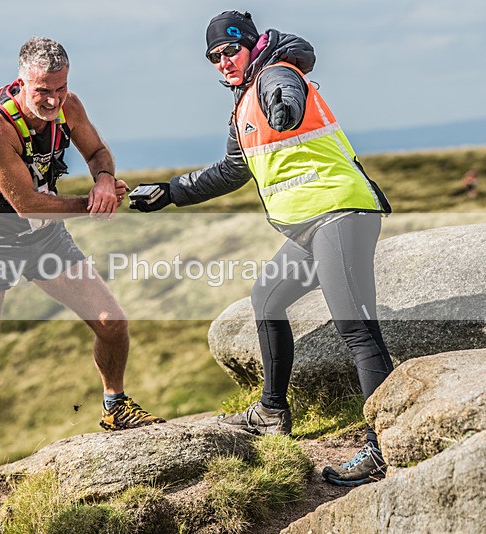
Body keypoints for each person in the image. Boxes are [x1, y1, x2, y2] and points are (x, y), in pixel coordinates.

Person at [130, 11, 394, 488]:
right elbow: (231, 171)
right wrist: (170, 192)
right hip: (309, 227)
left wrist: (284, 108)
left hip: (341, 213)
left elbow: (285, 95)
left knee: (357, 332)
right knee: (267, 298)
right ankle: (272, 410)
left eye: (229, 51)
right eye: (213, 57)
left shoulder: (276, 73)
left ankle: (385, 446)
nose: (222, 62)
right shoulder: (242, 106)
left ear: (250, 45)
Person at [0, 36, 165, 531]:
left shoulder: (68, 105)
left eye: (60, 87)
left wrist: (105, 180)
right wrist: (92, 205)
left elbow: (97, 150)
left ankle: (114, 406)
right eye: (42, 90)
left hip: (45, 241)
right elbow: (26, 204)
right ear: (21, 80)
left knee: (113, 323)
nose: (52, 100)